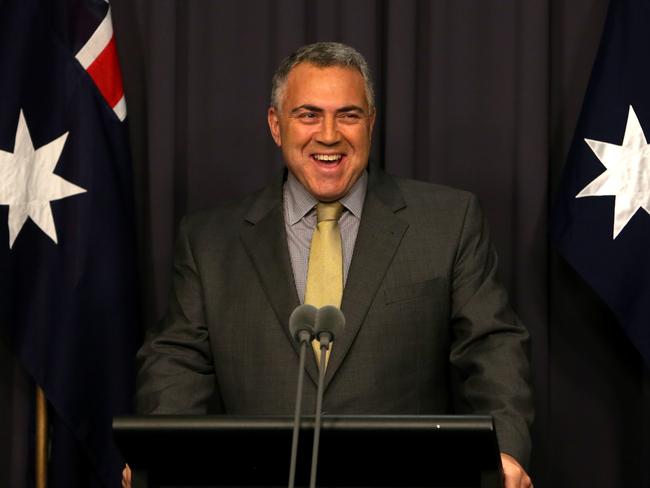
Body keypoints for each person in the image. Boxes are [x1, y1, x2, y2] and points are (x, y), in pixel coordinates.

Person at [134, 42, 534, 488]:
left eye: (348, 115)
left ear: (371, 123)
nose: (328, 134)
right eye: (308, 115)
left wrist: (505, 450)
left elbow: (492, 346)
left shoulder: (448, 221)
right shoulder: (208, 240)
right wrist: (159, 450)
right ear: (275, 125)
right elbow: (178, 361)